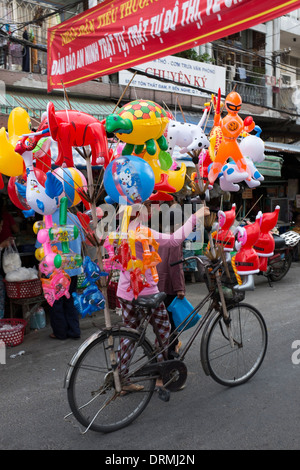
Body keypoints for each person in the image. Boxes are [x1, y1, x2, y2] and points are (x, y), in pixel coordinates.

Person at [116, 202, 210, 388]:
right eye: (149, 207)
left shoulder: (122, 228)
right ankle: (162, 376)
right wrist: (195, 216)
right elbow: (174, 240)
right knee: (164, 332)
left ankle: (121, 378)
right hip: (146, 294)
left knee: (129, 334)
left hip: (124, 292)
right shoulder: (142, 231)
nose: (152, 211)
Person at [37, 209, 84, 340]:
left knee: (56, 301)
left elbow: (40, 247)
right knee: (70, 299)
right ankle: (74, 331)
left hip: (55, 271)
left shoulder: (47, 220)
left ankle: (60, 333)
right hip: (73, 267)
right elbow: (83, 240)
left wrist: (41, 268)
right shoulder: (74, 217)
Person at [157, 204, 185, 358]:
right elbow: (175, 265)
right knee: (171, 320)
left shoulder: (162, 235)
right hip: (168, 285)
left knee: (166, 319)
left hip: (158, 283)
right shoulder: (176, 238)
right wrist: (180, 288)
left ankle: (173, 345)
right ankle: (170, 353)